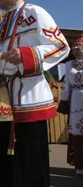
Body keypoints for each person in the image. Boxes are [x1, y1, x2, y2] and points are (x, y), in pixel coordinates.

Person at [0, 0, 70, 187]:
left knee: (31, 162)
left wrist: (27, 54)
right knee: (1, 162)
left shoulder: (34, 13)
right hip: (2, 103)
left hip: (29, 98)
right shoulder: (0, 24)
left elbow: (60, 46)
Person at [57, 35, 83, 175]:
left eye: (78, 46)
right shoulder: (68, 65)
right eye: (73, 46)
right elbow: (67, 85)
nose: (75, 49)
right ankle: (79, 165)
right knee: (77, 131)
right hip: (76, 101)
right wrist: (64, 102)